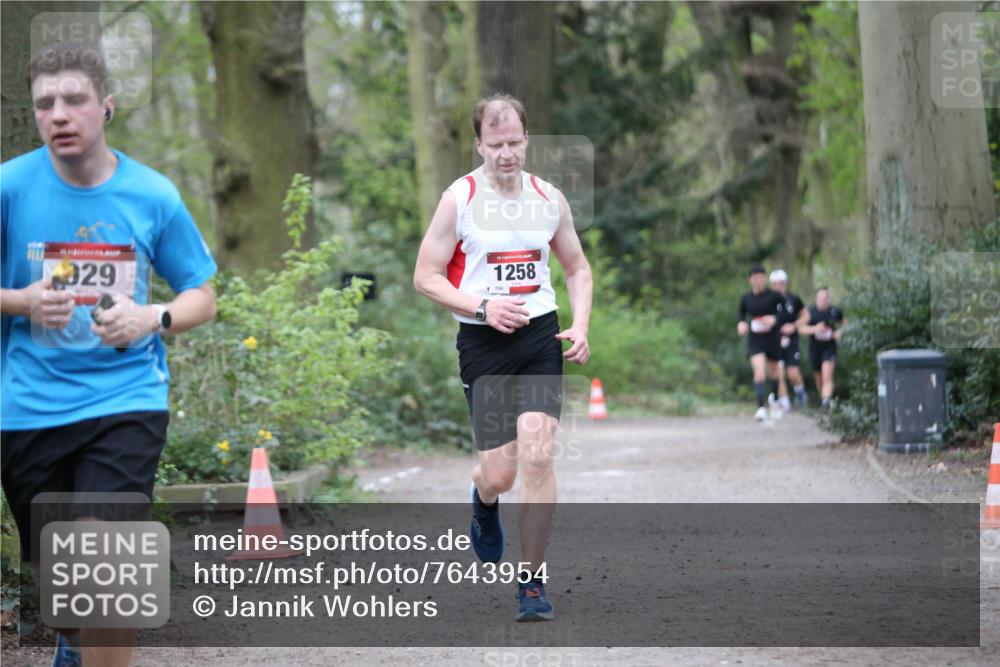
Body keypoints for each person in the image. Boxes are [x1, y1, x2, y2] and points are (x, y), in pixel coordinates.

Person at [1, 43, 217, 667]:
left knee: (107, 576)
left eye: (74, 100)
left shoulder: (152, 195)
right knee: (68, 582)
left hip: (126, 401)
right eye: (46, 104)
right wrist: (22, 301)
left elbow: (201, 295)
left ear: (107, 107)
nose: (59, 115)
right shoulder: (10, 189)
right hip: (29, 410)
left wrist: (154, 316)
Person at [413, 94, 592, 621]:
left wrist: (579, 324)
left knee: (539, 456)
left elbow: (578, 268)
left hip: (539, 337)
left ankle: (531, 582)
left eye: (515, 142)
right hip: (483, 342)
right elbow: (424, 277)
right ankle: (481, 496)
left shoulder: (548, 198)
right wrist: (483, 306)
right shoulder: (459, 199)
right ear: (479, 145)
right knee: (501, 474)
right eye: (496, 145)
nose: (507, 153)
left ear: (527, 141)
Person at [737, 265, 784, 421]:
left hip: (772, 338)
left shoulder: (774, 296)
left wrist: (775, 319)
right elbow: (741, 314)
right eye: (755, 277)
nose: (759, 280)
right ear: (750, 280)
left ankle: (775, 401)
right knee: (759, 372)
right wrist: (741, 324)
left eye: (761, 277)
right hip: (755, 340)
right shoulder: (746, 298)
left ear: (765, 279)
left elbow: (786, 312)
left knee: (773, 373)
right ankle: (760, 408)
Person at [798, 287, 845, 409]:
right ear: (816, 298)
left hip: (829, 348)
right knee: (819, 378)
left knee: (827, 375)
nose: (823, 300)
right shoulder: (810, 312)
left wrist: (840, 332)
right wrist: (815, 329)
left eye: (825, 298)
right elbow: (800, 328)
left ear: (828, 299)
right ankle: (824, 399)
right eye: (820, 298)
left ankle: (826, 402)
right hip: (815, 349)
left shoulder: (834, 311)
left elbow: (845, 323)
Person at [769, 269, 807, 411]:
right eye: (775, 284)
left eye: (781, 283)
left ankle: (800, 391)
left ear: (785, 284)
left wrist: (794, 325)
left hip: (791, 341)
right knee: (778, 372)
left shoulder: (793, 299)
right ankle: (785, 402)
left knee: (792, 373)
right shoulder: (768, 300)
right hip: (775, 341)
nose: (778, 286)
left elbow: (806, 316)